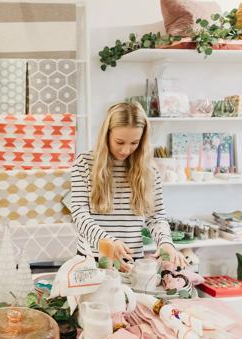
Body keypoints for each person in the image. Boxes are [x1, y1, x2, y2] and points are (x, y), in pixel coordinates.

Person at [71, 101, 187, 271]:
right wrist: (108, 242)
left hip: (131, 261)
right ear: (107, 135)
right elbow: (79, 214)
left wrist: (165, 242)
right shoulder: (84, 163)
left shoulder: (149, 170)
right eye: (119, 142)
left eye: (134, 143)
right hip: (91, 260)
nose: (126, 150)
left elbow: (156, 217)